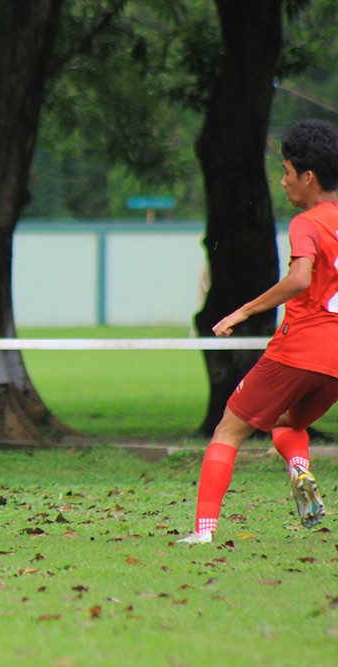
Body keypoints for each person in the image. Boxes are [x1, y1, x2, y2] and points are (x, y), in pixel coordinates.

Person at [179, 119, 338, 545]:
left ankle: (203, 531)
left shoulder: (308, 222)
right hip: (335, 362)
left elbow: (301, 278)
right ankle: (299, 470)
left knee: (228, 430)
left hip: (298, 348)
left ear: (309, 177)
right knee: (285, 422)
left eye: (287, 172)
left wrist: (242, 312)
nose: (283, 181)